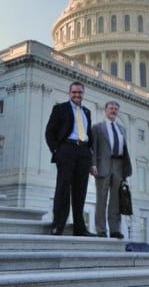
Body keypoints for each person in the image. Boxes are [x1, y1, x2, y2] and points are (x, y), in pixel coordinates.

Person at [45, 81, 96, 237]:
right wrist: (56, 150)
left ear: (83, 94)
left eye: (79, 92)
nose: (77, 95)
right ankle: (58, 225)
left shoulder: (87, 112)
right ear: (69, 93)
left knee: (80, 191)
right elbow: (49, 132)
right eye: (74, 92)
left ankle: (79, 228)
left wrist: (90, 155)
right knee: (63, 188)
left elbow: (89, 134)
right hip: (66, 149)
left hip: (84, 152)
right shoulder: (60, 109)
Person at [91, 101, 132, 239]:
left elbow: (124, 149)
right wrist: (93, 164)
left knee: (116, 201)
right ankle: (101, 229)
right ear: (105, 110)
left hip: (119, 166)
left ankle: (115, 229)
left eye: (116, 109)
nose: (113, 110)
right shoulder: (97, 128)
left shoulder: (122, 129)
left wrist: (126, 169)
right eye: (111, 108)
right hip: (103, 165)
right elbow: (93, 147)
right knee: (101, 199)